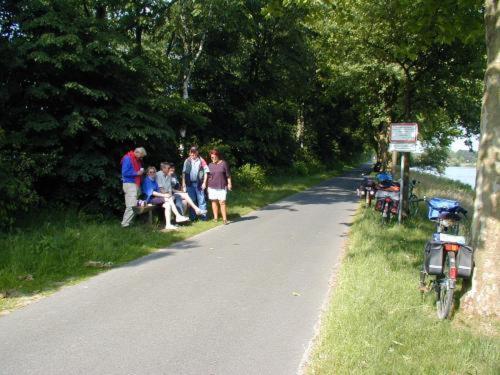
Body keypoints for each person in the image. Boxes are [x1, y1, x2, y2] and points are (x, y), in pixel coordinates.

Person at [142, 166, 189, 231]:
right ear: (147, 173)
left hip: (157, 198)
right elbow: (152, 193)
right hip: (150, 200)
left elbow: (159, 190)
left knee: (168, 205)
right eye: (150, 172)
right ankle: (178, 216)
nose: (152, 173)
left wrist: (165, 194)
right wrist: (164, 195)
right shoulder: (147, 180)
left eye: (153, 172)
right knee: (168, 198)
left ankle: (168, 225)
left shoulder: (154, 180)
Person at [121, 147, 146, 228]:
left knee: (134, 204)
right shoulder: (128, 158)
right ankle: (125, 225)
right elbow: (124, 172)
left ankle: (129, 222)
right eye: (141, 156)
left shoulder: (136, 160)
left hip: (135, 184)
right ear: (137, 152)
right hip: (129, 184)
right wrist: (137, 173)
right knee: (131, 205)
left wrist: (141, 172)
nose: (141, 158)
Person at [182, 146, 209, 221]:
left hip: (199, 183)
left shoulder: (201, 160)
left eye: (194, 152)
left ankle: (203, 217)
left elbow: (206, 172)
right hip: (189, 184)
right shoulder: (187, 161)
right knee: (192, 200)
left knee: (201, 200)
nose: (192, 154)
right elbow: (184, 173)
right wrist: (183, 184)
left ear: (197, 152)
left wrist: (204, 183)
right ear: (189, 152)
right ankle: (192, 218)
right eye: (191, 152)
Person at [207, 149, 232, 224]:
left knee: (222, 202)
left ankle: (225, 219)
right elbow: (209, 177)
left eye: (214, 157)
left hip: (221, 186)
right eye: (211, 157)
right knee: (214, 201)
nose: (213, 158)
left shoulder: (224, 163)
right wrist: (208, 187)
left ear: (217, 156)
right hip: (212, 186)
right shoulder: (210, 165)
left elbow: (228, 175)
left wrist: (229, 184)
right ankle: (215, 218)